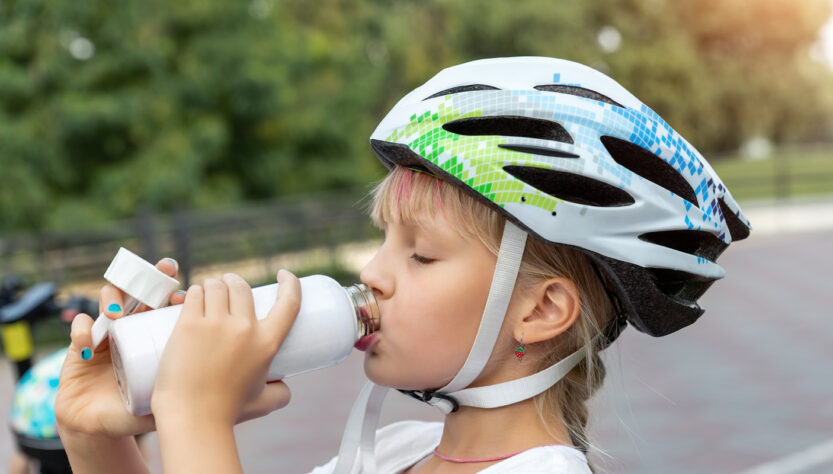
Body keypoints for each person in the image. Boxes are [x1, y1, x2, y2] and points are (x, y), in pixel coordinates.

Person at [54, 57, 751, 473]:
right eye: (383, 240)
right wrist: (96, 441)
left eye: (419, 253)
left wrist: (197, 417)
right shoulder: (391, 454)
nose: (376, 272)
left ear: (540, 311)